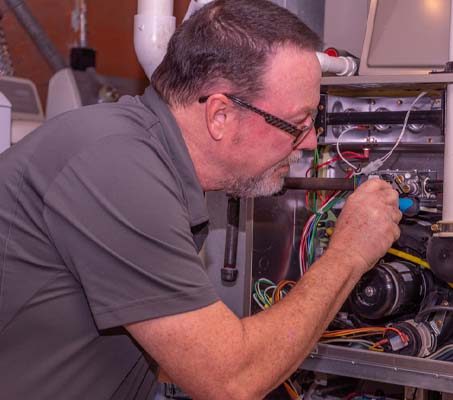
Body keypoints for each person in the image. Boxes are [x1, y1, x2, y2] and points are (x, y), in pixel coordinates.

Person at [0, 1, 401, 398]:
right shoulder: (116, 166)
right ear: (220, 115)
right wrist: (348, 253)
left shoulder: (153, 159)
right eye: (297, 125)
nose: (311, 142)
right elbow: (230, 382)